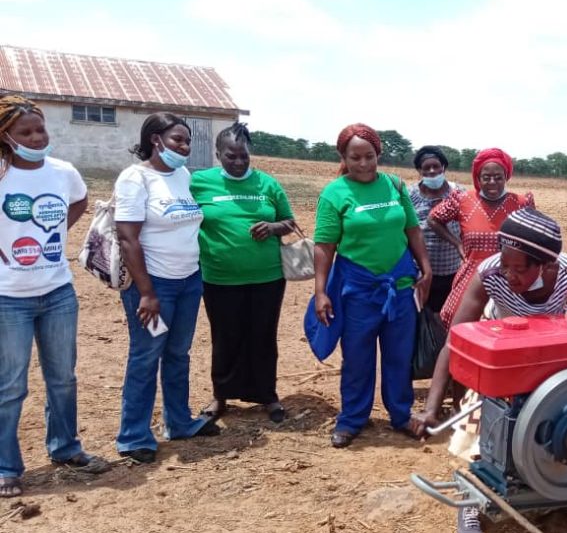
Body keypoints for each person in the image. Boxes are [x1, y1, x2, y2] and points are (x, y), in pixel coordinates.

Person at [411, 209, 567, 533]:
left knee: (553, 429)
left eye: (520, 269)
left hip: (552, 359)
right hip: (503, 358)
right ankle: (470, 501)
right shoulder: (490, 273)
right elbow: (456, 340)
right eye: (505, 265)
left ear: (545, 264)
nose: (509, 275)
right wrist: (430, 409)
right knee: (484, 429)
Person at [0, 95, 109, 497]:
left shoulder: (63, 172)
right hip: (8, 297)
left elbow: (79, 198)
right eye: (25, 132)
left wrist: (60, 229)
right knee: (10, 385)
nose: (36, 136)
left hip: (58, 291)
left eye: (40, 129)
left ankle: (65, 448)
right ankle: (7, 467)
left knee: (62, 378)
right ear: (7, 137)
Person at [312, 123, 432, 448]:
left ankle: (400, 414)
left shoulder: (395, 185)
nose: (363, 164)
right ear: (343, 157)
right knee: (357, 357)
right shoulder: (334, 193)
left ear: (379, 154)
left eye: (369, 156)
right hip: (358, 289)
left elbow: (412, 230)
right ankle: (352, 419)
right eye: (355, 158)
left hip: (399, 285)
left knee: (399, 355)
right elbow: (324, 245)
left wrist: (426, 267)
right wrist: (320, 291)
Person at [114, 112, 221, 464]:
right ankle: (133, 436)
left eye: (187, 140)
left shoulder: (182, 175)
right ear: (155, 139)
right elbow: (129, 239)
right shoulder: (135, 178)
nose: (185, 146)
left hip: (189, 281)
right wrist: (147, 292)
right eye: (178, 140)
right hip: (153, 285)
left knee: (178, 354)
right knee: (146, 356)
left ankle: (179, 422)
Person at [191, 123, 295, 423]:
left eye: (244, 156)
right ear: (218, 154)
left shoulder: (268, 184)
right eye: (230, 156)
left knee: (263, 336)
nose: (238, 162)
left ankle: (268, 395)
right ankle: (221, 395)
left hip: (268, 278)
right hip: (219, 277)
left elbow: (289, 222)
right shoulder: (199, 183)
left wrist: (274, 227)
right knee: (225, 336)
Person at [428, 148, 533, 327]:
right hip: (472, 276)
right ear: (478, 178)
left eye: (498, 177)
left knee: (509, 329)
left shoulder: (521, 203)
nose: (492, 182)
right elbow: (433, 219)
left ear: (506, 177)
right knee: (460, 327)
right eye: (486, 177)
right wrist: (457, 244)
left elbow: (532, 238)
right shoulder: (462, 200)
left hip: (510, 279)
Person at [409, 146, 461, 313]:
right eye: (426, 168)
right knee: (421, 318)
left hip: (452, 270)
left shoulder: (458, 193)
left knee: (445, 316)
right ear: (419, 171)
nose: (432, 171)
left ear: (443, 167)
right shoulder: (410, 195)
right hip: (420, 271)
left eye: (436, 166)